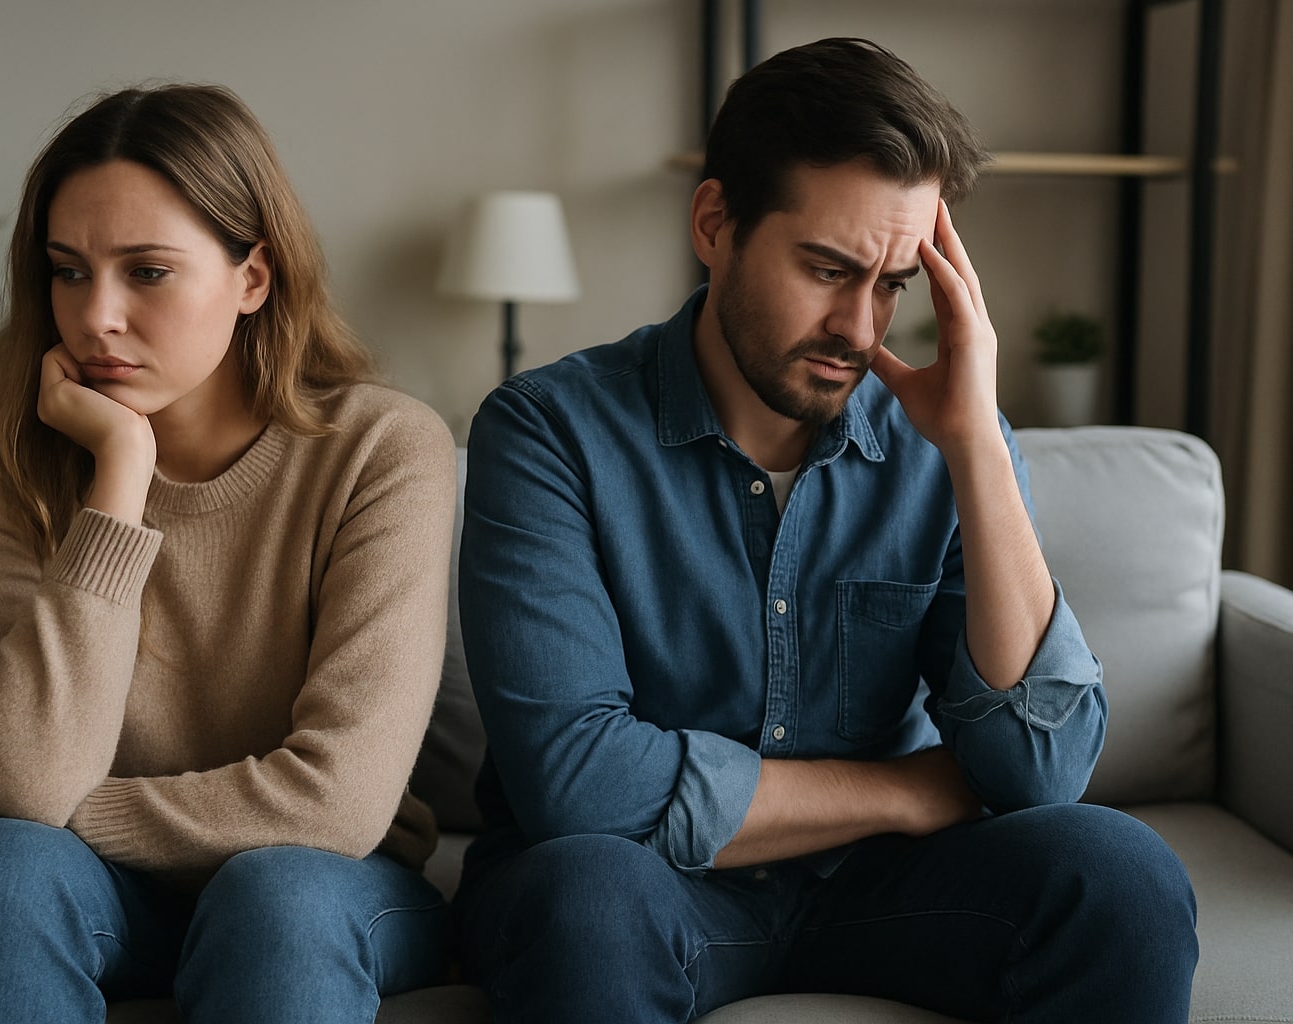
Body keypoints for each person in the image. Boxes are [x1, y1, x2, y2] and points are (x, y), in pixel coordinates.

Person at [455, 37, 1198, 1024]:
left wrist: (977, 445)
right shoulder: (550, 430)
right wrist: (904, 791)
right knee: (582, 898)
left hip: (882, 888)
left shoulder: (946, 442)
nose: (860, 326)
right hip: (646, 886)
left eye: (893, 283)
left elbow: (1040, 774)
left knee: (1123, 874)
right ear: (715, 224)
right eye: (827, 269)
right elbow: (577, 784)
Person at [0, 83, 457, 1023]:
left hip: (328, 882)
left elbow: (339, 803)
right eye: (68, 272)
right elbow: (26, 777)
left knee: (273, 899)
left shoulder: (381, 449)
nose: (96, 317)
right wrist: (120, 473)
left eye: (147, 272)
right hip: (101, 891)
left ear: (254, 278)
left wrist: (35, 802)